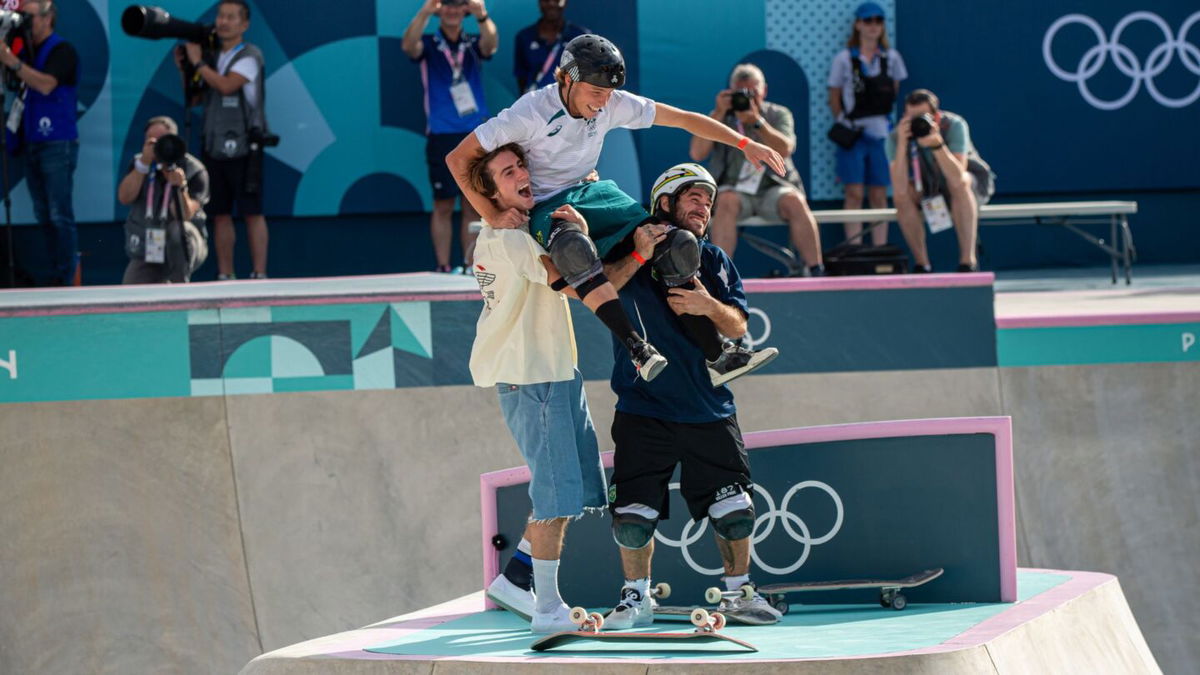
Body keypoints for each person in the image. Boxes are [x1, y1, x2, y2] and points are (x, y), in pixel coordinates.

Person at [447, 34, 784, 383]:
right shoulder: (529, 113)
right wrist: (493, 215)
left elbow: (683, 118)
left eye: (608, 94)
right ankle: (637, 349)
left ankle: (719, 357)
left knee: (675, 243)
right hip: (546, 206)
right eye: (596, 92)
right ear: (566, 79)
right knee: (574, 250)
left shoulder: (613, 103)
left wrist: (745, 143)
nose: (603, 103)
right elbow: (457, 158)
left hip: (592, 192)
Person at [466, 142, 660, 633]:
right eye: (507, 173)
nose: (522, 175)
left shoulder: (518, 232)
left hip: (553, 373)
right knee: (555, 499)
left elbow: (587, 281)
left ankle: (518, 578)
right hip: (532, 379)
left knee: (571, 492)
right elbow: (586, 288)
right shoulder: (510, 242)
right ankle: (547, 610)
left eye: (522, 166)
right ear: (489, 193)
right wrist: (634, 250)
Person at [600, 162, 782, 628]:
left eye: (708, 199)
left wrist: (707, 305)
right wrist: (640, 256)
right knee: (633, 518)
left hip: (709, 408)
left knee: (735, 510)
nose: (703, 206)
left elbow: (738, 323)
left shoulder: (716, 259)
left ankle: (739, 595)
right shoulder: (630, 247)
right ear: (664, 203)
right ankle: (636, 599)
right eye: (692, 197)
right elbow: (596, 290)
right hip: (643, 409)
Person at [690, 62, 823, 276]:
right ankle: (721, 275)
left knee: (795, 200)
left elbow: (786, 148)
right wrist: (718, 113)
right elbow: (697, 153)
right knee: (726, 200)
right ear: (730, 92)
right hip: (734, 190)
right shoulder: (721, 117)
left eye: (753, 92)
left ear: (765, 91)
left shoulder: (778, 114)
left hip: (773, 187)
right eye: (741, 93)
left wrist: (757, 122)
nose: (747, 98)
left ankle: (816, 269)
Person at [177, 0, 270, 280]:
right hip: (213, 143)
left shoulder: (250, 55)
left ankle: (259, 273)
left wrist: (198, 62)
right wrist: (186, 69)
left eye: (231, 17)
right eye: (220, 16)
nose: (223, 22)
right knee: (219, 212)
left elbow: (227, 85)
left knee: (252, 211)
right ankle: (225, 275)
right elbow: (195, 97)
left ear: (245, 24)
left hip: (245, 144)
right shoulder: (212, 56)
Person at [403, 0, 497, 274]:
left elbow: (491, 45)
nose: (453, 10)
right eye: (447, 5)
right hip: (442, 133)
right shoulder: (430, 44)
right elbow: (409, 46)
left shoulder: (473, 41)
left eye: (459, 5)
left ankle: (471, 265)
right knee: (443, 204)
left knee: (473, 201)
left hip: (474, 133)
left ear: (465, 10)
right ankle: (443, 266)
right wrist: (424, 11)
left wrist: (482, 14)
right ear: (438, 8)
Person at [0, 0, 79, 286]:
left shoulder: (62, 50)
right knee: (43, 214)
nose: (24, 23)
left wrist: (11, 60)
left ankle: (67, 280)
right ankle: (56, 277)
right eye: (20, 17)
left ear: (48, 18)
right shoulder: (26, 51)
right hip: (32, 140)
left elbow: (46, 84)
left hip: (57, 142)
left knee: (60, 214)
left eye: (28, 17)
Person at [827, 2, 907, 248]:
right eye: (868, 20)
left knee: (879, 192)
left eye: (878, 21)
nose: (873, 26)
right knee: (853, 192)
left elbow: (893, 94)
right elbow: (834, 96)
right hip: (853, 133)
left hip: (881, 133)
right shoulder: (844, 58)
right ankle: (854, 247)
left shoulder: (891, 58)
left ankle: (879, 247)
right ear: (858, 24)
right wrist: (845, 122)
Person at [887, 89, 994, 273]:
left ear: (935, 116)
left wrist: (937, 145)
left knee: (960, 183)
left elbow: (957, 175)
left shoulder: (953, 125)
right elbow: (899, 187)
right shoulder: (897, 136)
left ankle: (968, 262)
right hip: (929, 187)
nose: (915, 123)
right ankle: (923, 264)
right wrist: (903, 144)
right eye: (910, 116)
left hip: (967, 186)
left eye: (921, 117)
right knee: (901, 196)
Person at [117, 116, 209, 283]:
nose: (159, 146)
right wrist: (143, 164)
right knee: (131, 293)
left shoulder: (194, 170)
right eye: (152, 141)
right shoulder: (139, 164)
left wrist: (180, 187)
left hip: (186, 247)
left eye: (163, 141)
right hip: (149, 249)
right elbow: (124, 197)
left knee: (178, 230)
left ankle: (179, 286)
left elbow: (184, 216)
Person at [513, 0, 588, 94]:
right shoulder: (524, 37)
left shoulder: (581, 37)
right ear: (539, 2)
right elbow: (521, 77)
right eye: (546, 0)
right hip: (535, 104)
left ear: (566, 2)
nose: (551, 4)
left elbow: (587, 76)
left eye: (557, 0)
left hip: (568, 105)